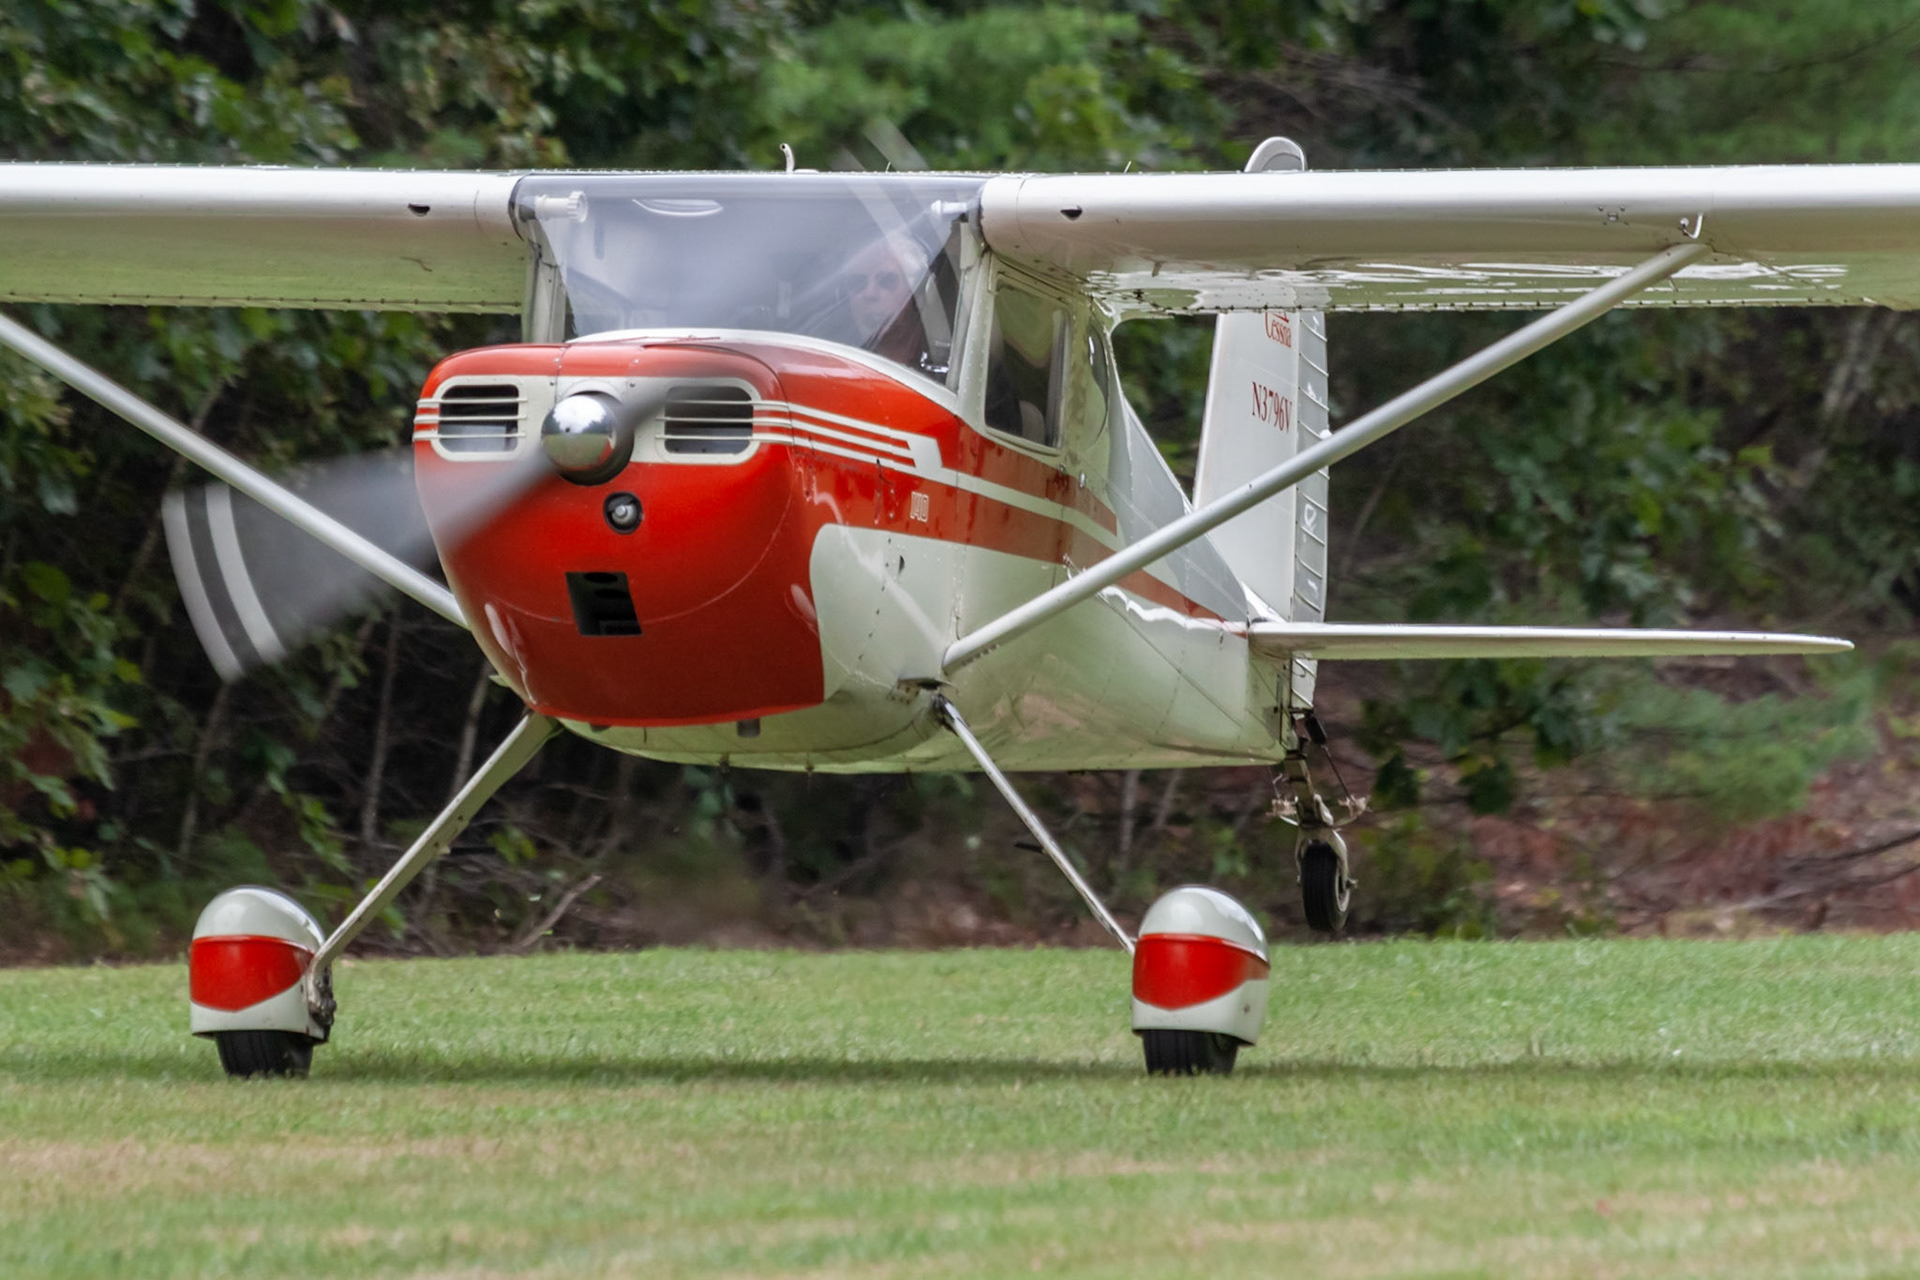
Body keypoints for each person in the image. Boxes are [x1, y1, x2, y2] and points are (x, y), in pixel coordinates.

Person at [843, 233, 933, 371]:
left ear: (917, 291)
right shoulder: (839, 362)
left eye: (886, 281)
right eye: (857, 282)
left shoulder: (948, 361)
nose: (870, 293)